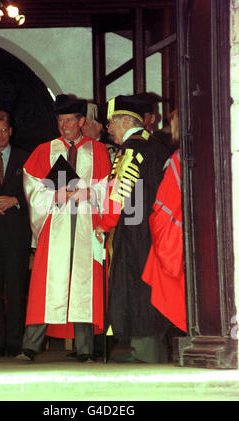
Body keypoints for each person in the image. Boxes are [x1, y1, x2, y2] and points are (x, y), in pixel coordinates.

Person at [17, 94, 111, 363]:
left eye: (70, 120)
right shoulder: (44, 150)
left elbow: (107, 186)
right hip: (55, 226)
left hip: (85, 223)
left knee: (84, 283)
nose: (65, 125)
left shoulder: (98, 150)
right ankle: (30, 346)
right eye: (61, 120)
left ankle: (85, 349)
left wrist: (89, 194)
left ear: (82, 121)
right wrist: (52, 197)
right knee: (48, 284)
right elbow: (31, 188)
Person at [95, 94, 172, 363]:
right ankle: (153, 349)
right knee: (152, 286)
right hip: (157, 229)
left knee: (137, 286)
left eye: (110, 123)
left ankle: (144, 352)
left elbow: (118, 194)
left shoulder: (129, 149)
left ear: (125, 121)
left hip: (135, 231)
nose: (108, 129)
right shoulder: (158, 146)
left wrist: (103, 224)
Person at [0, 109, 31, 357]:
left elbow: (38, 193)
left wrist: (16, 200)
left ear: (10, 130)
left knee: (15, 289)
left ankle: (14, 341)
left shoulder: (26, 158)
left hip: (16, 234)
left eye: (3, 130)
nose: (0, 136)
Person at [142, 110, 187, 334]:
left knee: (171, 281)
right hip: (199, 231)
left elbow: (164, 204)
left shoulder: (179, 158)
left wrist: (155, 220)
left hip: (178, 231)